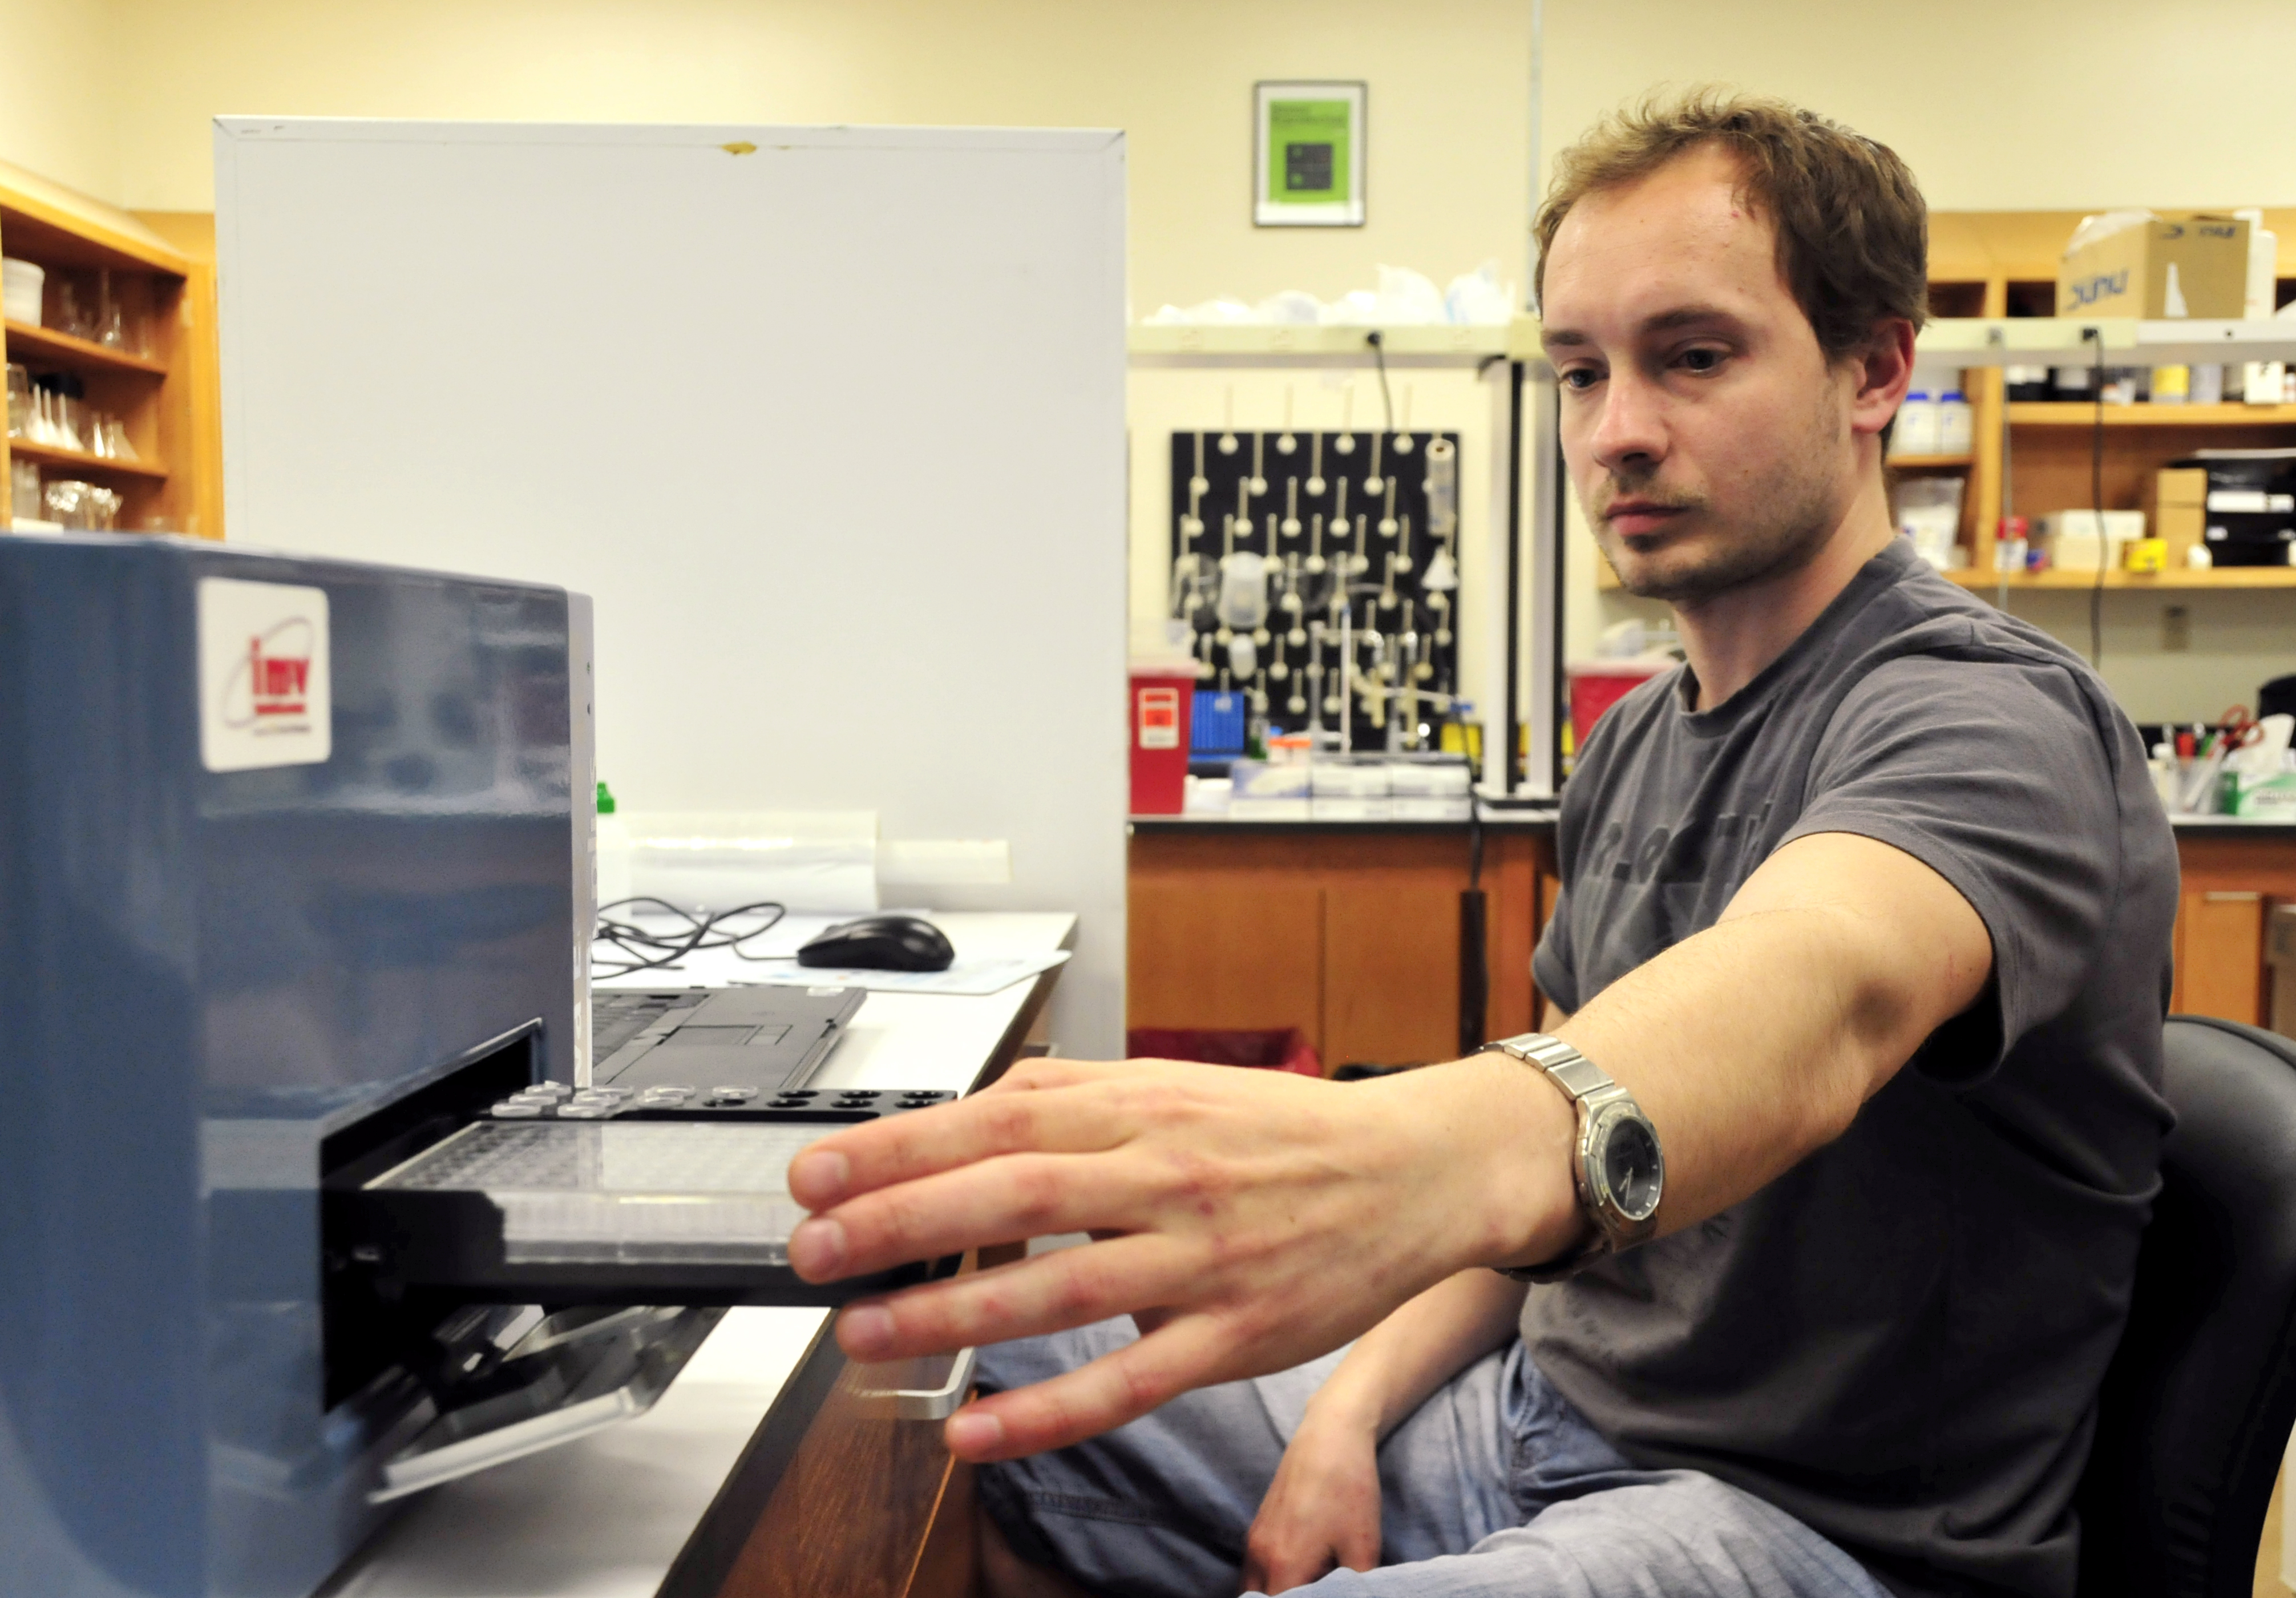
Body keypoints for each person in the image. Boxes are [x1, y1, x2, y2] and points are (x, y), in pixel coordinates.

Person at [785, 88, 2177, 1598]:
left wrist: (1417, 1147)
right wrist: (1346, 1406)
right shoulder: (1639, 742)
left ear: (1876, 369)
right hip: (1528, 1427)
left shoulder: (1991, 720)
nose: (1618, 432)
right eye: (1580, 372)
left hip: (1804, 1526)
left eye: (1694, 358)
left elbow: (1820, 986)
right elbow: (1549, 1210)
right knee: (947, 1371)